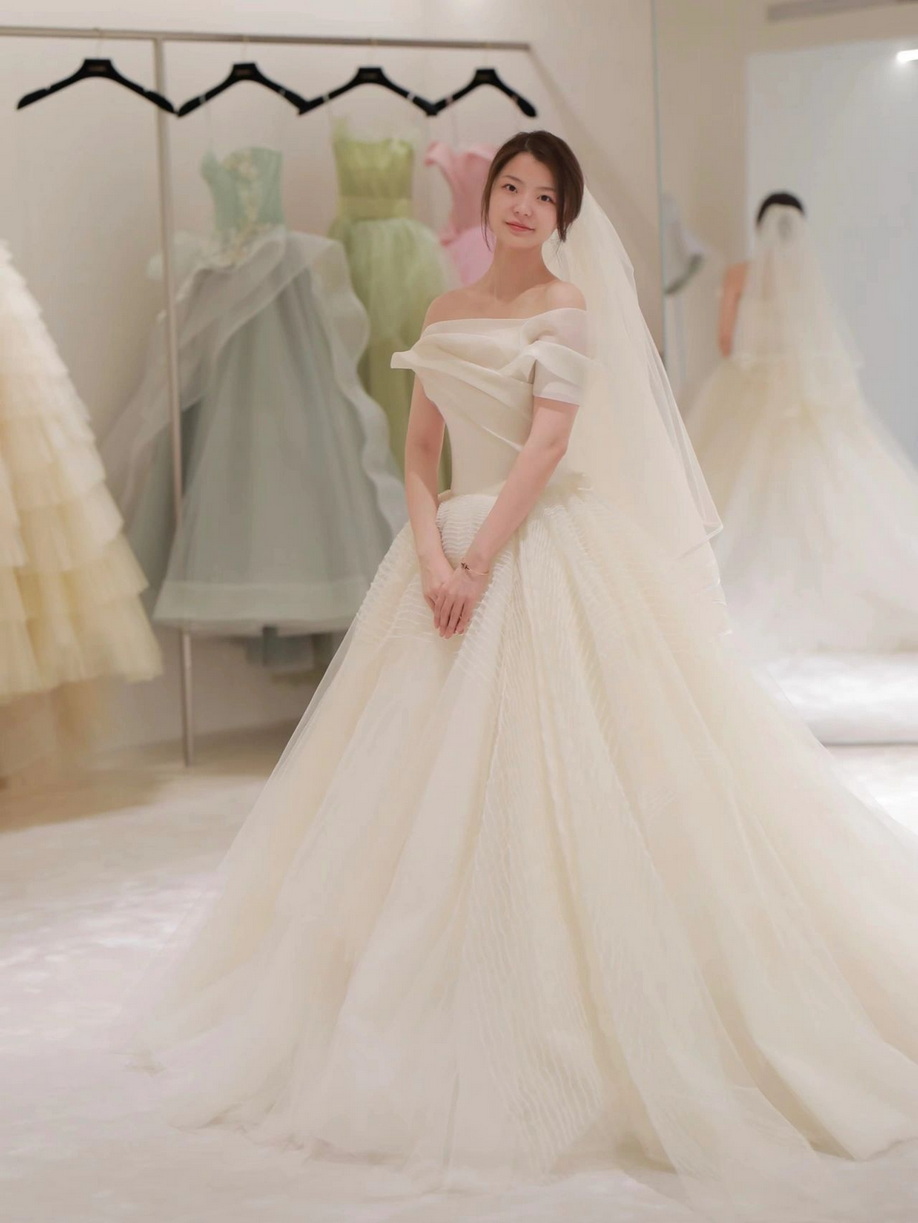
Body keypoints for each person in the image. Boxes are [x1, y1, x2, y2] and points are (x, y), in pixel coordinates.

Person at [124, 135, 918, 1223]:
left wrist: (479, 558)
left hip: (538, 548)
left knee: (565, 781)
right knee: (405, 795)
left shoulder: (566, 307)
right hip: (445, 554)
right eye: (510, 187)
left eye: (545, 196)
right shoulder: (445, 311)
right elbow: (417, 452)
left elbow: (545, 447)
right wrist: (433, 556)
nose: (523, 206)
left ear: (562, 216)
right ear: (488, 195)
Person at [689, 192, 918, 654]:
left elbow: (726, 340)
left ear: (759, 227)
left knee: (732, 480)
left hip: (749, 387)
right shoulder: (803, 280)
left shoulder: (739, 275)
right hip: (801, 390)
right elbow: (818, 341)